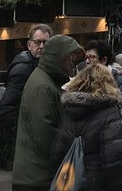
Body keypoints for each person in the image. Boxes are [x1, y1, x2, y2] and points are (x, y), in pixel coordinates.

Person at [12, 33, 84, 191]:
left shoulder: (47, 81)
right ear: (58, 57)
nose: (72, 63)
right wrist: (72, 145)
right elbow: (44, 132)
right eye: (69, 57)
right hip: (36, 177)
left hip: (37, 173)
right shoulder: (43, 86)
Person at [53, 63, 122, 191]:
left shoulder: (70, 111)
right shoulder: (109, 112)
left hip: (73, 181)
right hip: (98, 182)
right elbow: (114, 160)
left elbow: (58, 152)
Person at [0, 23, 52, 133]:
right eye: (37, 42)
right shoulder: (22, 69)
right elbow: (8, 108)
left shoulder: (42, 65)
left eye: (46, 42)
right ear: (29, 45)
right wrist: (21, 134)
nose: (41, 46)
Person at [85, 39, 122, 128]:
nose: (87, 61)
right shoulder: (84, 82)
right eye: (86, 57)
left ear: (104, 60)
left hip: (113, 137)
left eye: (92, 57)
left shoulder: (118, 81)